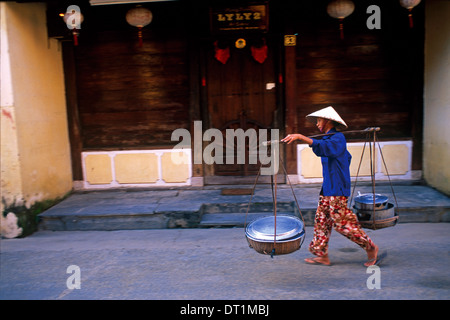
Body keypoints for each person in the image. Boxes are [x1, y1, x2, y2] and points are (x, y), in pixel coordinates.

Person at [281, 106, 382, 267]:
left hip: (338, 188)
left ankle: (370, 247)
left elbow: (325, 148)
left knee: (342, 223)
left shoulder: (338, 138)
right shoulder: (328, 139)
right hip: (328, 187)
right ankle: (321, 254)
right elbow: (325, 149)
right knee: (322, 220)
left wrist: (301, 137)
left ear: (328, 120)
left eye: (319, 120)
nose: (317, 124)